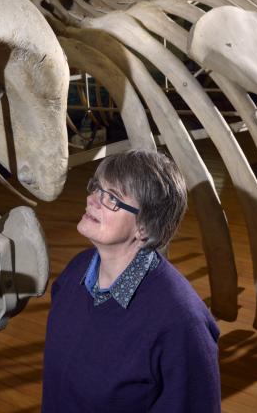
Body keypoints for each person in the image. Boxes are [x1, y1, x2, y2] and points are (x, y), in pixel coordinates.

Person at [41, 149, 221, 412]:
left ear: (145, 227)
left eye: (112, 198)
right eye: (96, 187)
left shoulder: (181, 323)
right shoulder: (75, 271)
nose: (92, 200)